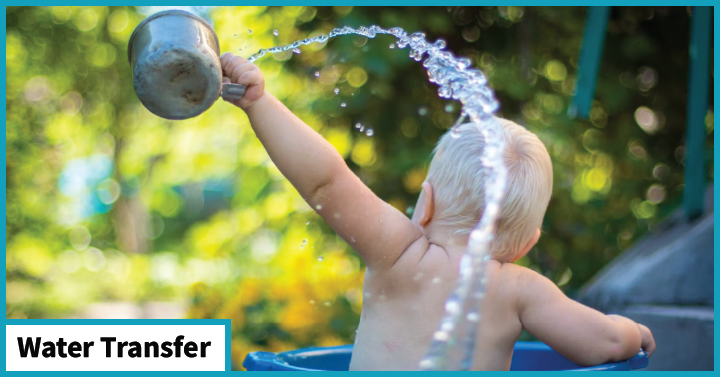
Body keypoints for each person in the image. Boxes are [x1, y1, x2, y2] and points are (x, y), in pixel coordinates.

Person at [219, 53, 655, 371]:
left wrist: (259, 102)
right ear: (527, 243)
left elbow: (326, 182)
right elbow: (605, 343)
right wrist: (634, 332)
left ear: (424, 203)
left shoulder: (399, 255)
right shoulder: (521, 290)